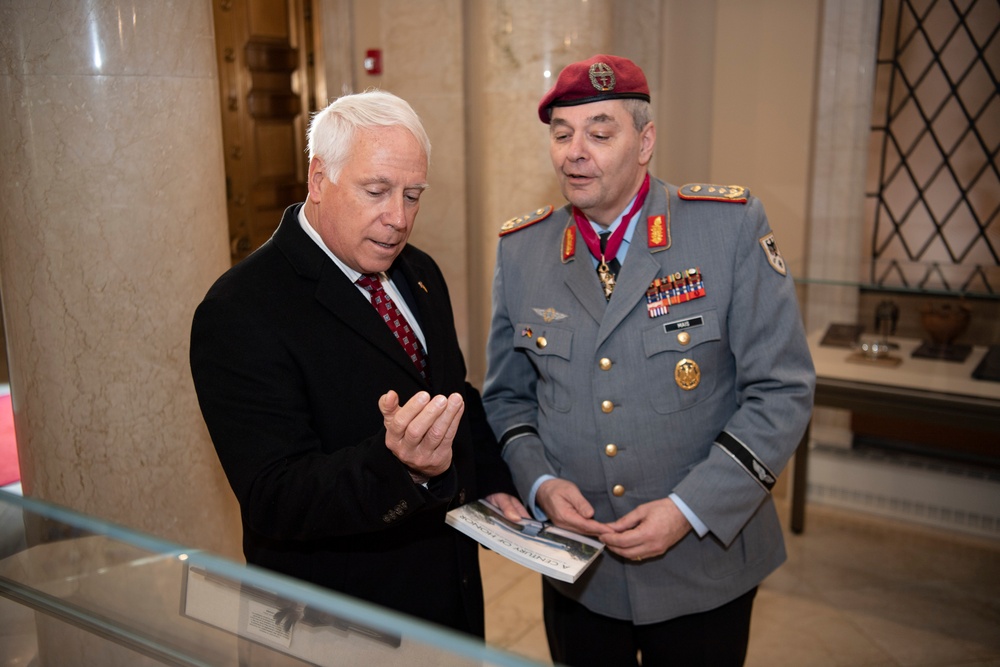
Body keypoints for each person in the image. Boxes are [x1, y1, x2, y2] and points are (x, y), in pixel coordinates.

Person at [482, 54, 815, 666]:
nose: (574, 152)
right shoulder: (523, 251)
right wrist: (538, 482)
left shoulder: (728, 229)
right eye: (561, 134)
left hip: (703, 563)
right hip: (576, 566)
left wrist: (688, 510)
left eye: (600, 133)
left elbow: (782, 390)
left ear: (645, 141)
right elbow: (507, 397)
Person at [190, 90, 524, 638]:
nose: (398, 218)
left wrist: (494, 480)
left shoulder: (419, 272)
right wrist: (401, 465)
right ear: (319, 180)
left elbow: (454, 391)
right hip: (339, 622)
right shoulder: (240, 311)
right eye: (377, 191)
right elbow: (275, 496)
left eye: (413, 195)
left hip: (448, 601)